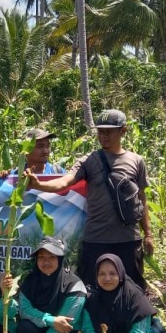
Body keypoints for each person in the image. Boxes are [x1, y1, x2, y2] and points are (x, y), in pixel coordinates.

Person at [25, 109, 154, 289]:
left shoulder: (136, 161)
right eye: (100, 131)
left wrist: (148, 234)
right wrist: (38, 185)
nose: (103, 136)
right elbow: (64, 182)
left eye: (109, 131)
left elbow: (142, 199)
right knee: (92, 290)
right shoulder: (89, 160)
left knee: (132, 289)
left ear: (123, 131)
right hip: (96, 239)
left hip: (128, 239)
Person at [17, 237, 86, 333]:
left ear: (60, 259)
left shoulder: (74, 285)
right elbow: (24, 310)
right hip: (44, 327)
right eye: (41, 257)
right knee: (24, 327)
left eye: (51, 257)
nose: (46, 261)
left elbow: (66, 324)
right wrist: (51, 320)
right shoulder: (30, 280)